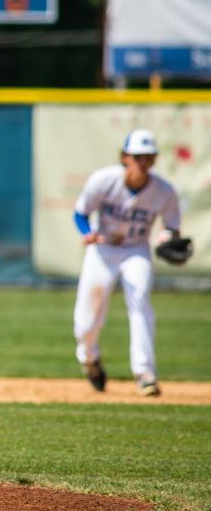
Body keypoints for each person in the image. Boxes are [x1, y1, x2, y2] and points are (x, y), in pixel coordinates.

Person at [72, 128, 183, 397]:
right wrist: (87, 234)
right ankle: (90, 359)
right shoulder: (103, 180)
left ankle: (144, 373)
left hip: (136, 250)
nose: (142, 162)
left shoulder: (164, 191)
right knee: (86, 322)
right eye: (137, 156)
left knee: (140, 301)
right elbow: (81, 213)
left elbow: (171, 228)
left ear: (154, 159)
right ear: (124, 157)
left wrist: (167, 239)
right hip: (103, 249)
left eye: (147, 157)